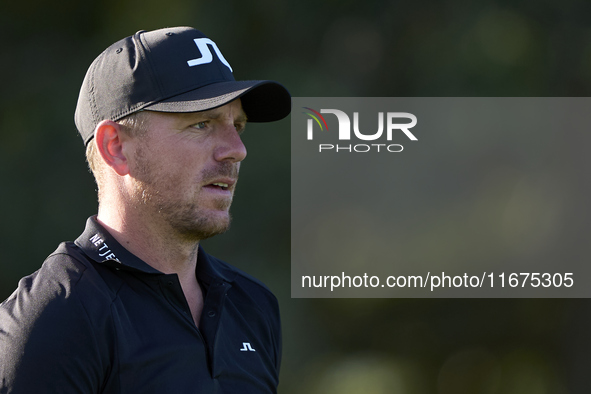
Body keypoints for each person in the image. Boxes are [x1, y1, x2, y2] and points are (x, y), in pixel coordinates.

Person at [0, 26, 291, 393]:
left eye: (238, 125)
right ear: (116, 147)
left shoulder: (254, 306)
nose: (236, 149)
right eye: (201, 123)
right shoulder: (55, 317)